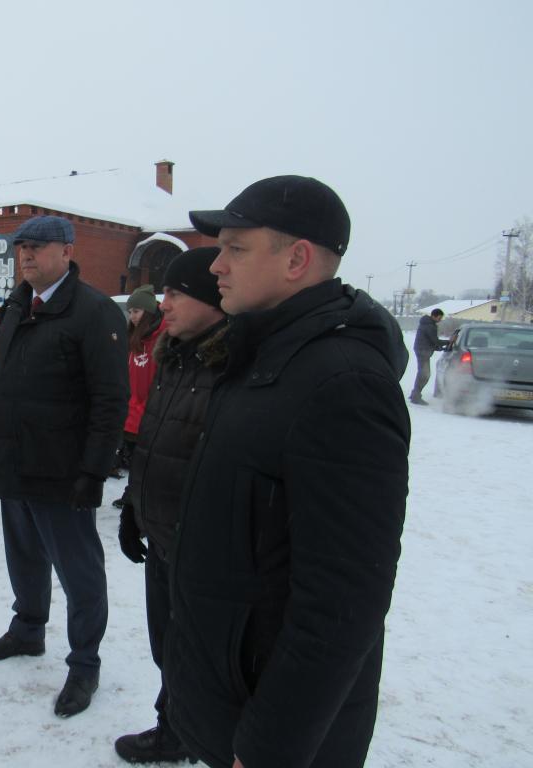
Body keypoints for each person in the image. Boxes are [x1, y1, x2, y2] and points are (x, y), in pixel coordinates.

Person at [164, 176, 410, 768]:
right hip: (232, 694)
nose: (216, 265)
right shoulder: (261, 355)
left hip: (276, 734)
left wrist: (272, 746)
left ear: (297, 258)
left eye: (235, 248)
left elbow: (343, 601)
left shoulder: (343, 383)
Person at [0, 215, 128, 718]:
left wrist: (94, 472)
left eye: (37, 247)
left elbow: (110, 400)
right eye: (21, 249)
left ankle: (84, 663)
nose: (27, 256)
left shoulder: (94, 311)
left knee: (79, 571)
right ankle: (28, 630)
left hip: (63, 470)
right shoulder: (17, 305)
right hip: (14, 458)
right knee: (23, 555)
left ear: (66, 251)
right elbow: (2, 380)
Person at [113, 248, 226, 764]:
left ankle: (189, 733)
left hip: (200, 546)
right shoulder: (175, 356)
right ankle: (176, 726)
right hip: (161, 536)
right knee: (167, 645)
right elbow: (154, 441)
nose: (165, 303)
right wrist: (134, 509)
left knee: (197, 653)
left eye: (177, 293)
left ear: (211, 298)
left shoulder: (228, 365)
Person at [109, 284, 165, 485]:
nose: (132, 316)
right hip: (133, 407)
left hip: (151, 410)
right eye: (130, 311)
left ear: (149, 311)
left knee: (145, 463)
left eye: (137, 311)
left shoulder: (162, 336)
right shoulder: (134, 338)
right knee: (135, 460)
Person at [409, 307, 447, 405]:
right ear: (434, 316)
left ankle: (415, 394)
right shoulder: (430, 326)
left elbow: (431, 342)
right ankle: (416, 396)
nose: (440, 320)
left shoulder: (427, 324)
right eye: (439, 317)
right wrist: (448, 342)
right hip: (423, 351)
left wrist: (440, 347)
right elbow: (435, 341)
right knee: (425, 375)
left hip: (422, 350)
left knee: (422, 374)